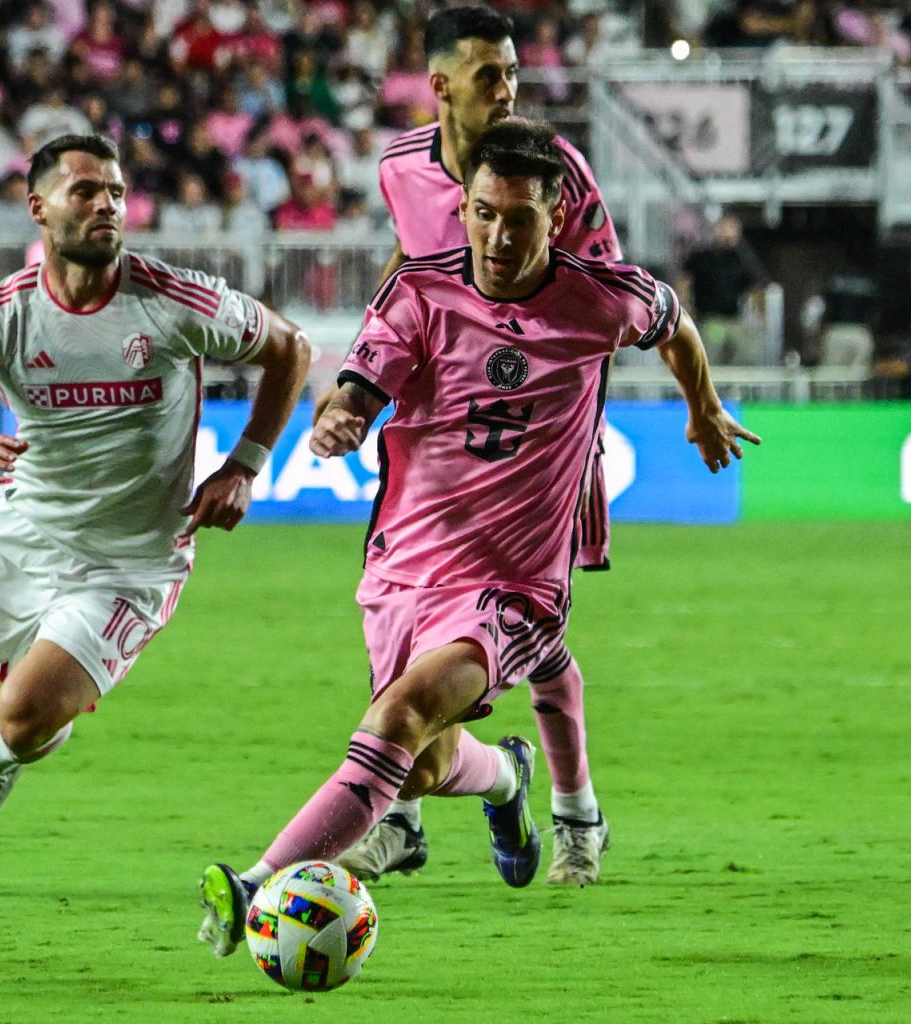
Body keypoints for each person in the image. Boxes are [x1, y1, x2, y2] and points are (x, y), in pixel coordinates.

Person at [197, 120, 759, 958]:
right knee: (420, 765)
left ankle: (257, 885)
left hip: (515, 585)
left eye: (520, 218)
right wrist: (346, 414)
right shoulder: (420, 291)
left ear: (556, 213)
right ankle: (505, 776)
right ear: (463, 206)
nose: (499, 236)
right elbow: (362, 378)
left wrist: (702, 405)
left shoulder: (604, 296)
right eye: (484, 212)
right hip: (405, 566)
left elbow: (675, 327)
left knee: (401, 713)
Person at [0, 134, 311, 898]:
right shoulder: (3, 315)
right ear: (38, 209)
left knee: (24, 716)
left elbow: (290, 348)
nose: (107, 205)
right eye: (86, 191)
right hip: (23, 530)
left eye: (117, 193)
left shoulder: (174, 299)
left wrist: (244, 466)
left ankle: (0, 759)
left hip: (132, 556)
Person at [332, 3, 625, 891]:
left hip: (530, 440)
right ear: (442, 86)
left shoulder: (554, 172)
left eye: (513, 74)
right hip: (429, 437)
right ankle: (406, 820)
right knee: (405, 616)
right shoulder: (397, 166)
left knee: (530, 640)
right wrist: (360, 370)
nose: (507, 90)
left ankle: (576, 815)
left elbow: (600, 303)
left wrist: (574, 451)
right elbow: (409, 264)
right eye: (490, 75)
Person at [681, 215, 764, 365]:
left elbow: (754, 288)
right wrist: (687, 308)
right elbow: (685, 283)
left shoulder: (741, 259)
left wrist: (761, 315)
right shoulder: (701, 257)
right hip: (712, 320)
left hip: (734, 319)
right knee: (711, 356)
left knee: (747, 354)